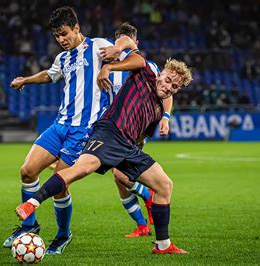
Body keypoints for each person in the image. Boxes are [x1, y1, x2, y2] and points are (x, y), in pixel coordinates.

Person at [15, 55, 192, 254]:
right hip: (109, 132)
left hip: (127, 146)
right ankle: (31, 203)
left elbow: (141, 136)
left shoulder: (158, 108)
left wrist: (164, 119)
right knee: (81, 169)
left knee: (164, 185)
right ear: (161, 74)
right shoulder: (146, 73)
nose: (169, 87)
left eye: (174, 87)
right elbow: (135, 53)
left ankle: (163, 245)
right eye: (168, 80)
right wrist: (110, 67)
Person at [3, 6, 138, 254]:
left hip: (84, 131)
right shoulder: (62, 58)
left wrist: (118, 50)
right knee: (27, 171)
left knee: (60, 185)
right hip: (60, 125)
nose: (61, 40)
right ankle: (29, 227)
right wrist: (26, 80)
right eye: (56, 36)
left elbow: (129, 41)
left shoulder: (98, 46)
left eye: (64, 33)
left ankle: (63, 234)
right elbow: (50, 75)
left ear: (76, 27)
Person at [103, 22, 174, 238]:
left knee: (120, 174)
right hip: (112, 127)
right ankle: (142, 224)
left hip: (137, 131)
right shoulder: (106, 66)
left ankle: (150, 199)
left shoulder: (145, 66)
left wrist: (166, 117)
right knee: (120, 179)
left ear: (136, 44)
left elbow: (167, 93)